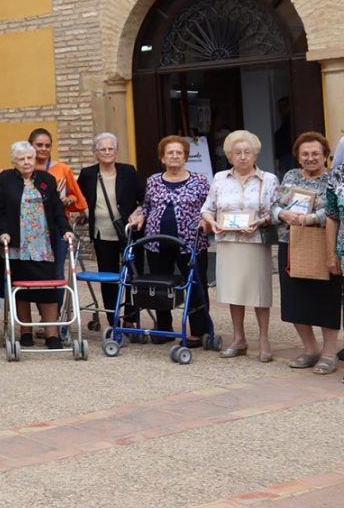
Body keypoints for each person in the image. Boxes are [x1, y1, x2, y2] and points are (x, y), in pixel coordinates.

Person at [127, 136, 213, 348]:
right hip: (157, 242)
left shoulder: (200, 181)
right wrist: (138, 215)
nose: (174, 156)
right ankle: (164, 329)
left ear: (185, 156)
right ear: (162, 158)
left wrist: (206, 220)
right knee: (159, 286)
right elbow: (146, 206)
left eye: (179, 153)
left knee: (195, 284)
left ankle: (199, 330)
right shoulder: (153, 180)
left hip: (191, 242)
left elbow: (210, 208)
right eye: (170, 153)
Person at [0, 141, 76, 350]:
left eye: (30, 157)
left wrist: (65, 229)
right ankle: (25, 331)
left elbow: (57, 208)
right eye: (22, 158)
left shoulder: (46, 179)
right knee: (21, 290)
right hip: (16, 244)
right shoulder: (4, 180)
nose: (27, 162)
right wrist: (2, 232)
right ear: (14, 161)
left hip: (42, 245)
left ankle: (52, 333)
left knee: (47, 290)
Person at [201, 130, 278, 361]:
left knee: (259, 292)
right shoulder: (219, 179)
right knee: (234, 291)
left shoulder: (269, 179)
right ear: (230, 156)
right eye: (238, 153)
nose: (243, 157)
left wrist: (261, 221)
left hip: (255, 242)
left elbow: (275, 211)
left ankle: (264, 339)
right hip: (228, 242)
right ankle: (239, 338)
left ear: (255, 155)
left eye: (248, 152)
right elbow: (207, 207)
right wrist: (212, 222)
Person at [274, 132, 339, 372]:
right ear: (298, 158)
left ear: (325, 156)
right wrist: (282, 214)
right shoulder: (290, 176)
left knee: (326, 299)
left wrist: (311, 218)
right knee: (294, 299)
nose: (310, 158)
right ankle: (311, 349)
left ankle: (330, 354)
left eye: (315, 154)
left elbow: (335, 211)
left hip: (323, 244)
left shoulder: (334, 178)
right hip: (289, 243)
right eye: (305, 154)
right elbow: (275, 206)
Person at [76, 133, 144, 326]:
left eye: (110, 149)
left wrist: (138, 212)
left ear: (116, 151)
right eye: (102, 149)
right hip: (102, 233)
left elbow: (143, 198)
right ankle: (112, 317)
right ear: (95, 153)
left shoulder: (128, 171)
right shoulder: (88, 174)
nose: (107, 152)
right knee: (108, 277)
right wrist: (82, 213)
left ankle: (130, 319)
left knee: (132, 275)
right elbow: (80, 199)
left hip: (129, 232)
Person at [29, 128, 87, 217]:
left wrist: (68, 200)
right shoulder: (24, 169)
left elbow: (77, 197)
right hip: (31, 220)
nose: (44, 149)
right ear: (30, 146)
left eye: (48, 146)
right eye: (39, 145)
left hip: (58, 221)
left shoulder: (63, 169)